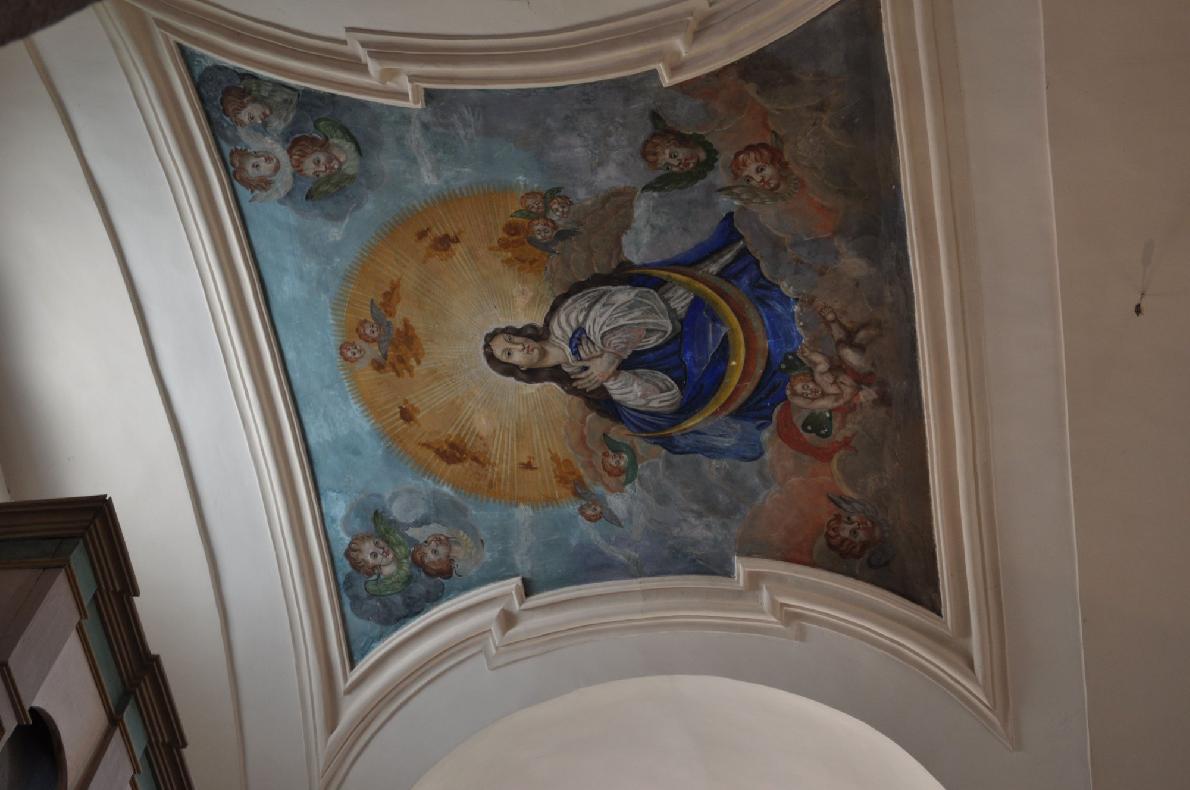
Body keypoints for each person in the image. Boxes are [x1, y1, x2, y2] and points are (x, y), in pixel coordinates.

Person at [483, 214, 802, 460]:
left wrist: (611, 354)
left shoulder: (565, 319)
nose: (518, 346)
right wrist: (613, 377)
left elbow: (631, 305)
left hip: (686, 314)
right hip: (690, 374)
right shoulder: (577, 379)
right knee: (645, 422)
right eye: (509, 354)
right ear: (520, 368)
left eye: (511, 339)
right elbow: (663, 398)